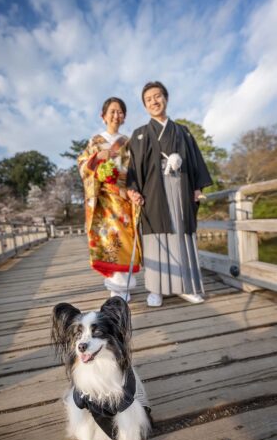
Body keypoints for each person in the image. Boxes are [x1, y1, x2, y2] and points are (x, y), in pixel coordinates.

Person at [127, 81, 212, 307]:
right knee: (156, 237)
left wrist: (197, 188)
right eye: (148, 99)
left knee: (181, 235)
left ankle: (186, 286)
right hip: (154, 192)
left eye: (158, 96)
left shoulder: (183, 131)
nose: (154, 101)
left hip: (181, 188)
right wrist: (133, 190)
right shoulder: (140, 134)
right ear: (144, 106)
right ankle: (156, 289)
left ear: (166, 98)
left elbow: (196, 162)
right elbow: (134, 168)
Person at [78, 97, 141, 301]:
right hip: (103, 200)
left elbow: (136, 170)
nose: (116, 115)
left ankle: (125, 284)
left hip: (124, 197)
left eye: (120, 111)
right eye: (112, 111)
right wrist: (97, 160)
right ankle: (116, 287)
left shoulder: (128, 142)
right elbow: (82, 167)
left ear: (124, 116)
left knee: (126, 240)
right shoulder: (95, 141)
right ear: (103, 116)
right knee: (109, 241)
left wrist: (127, 184)